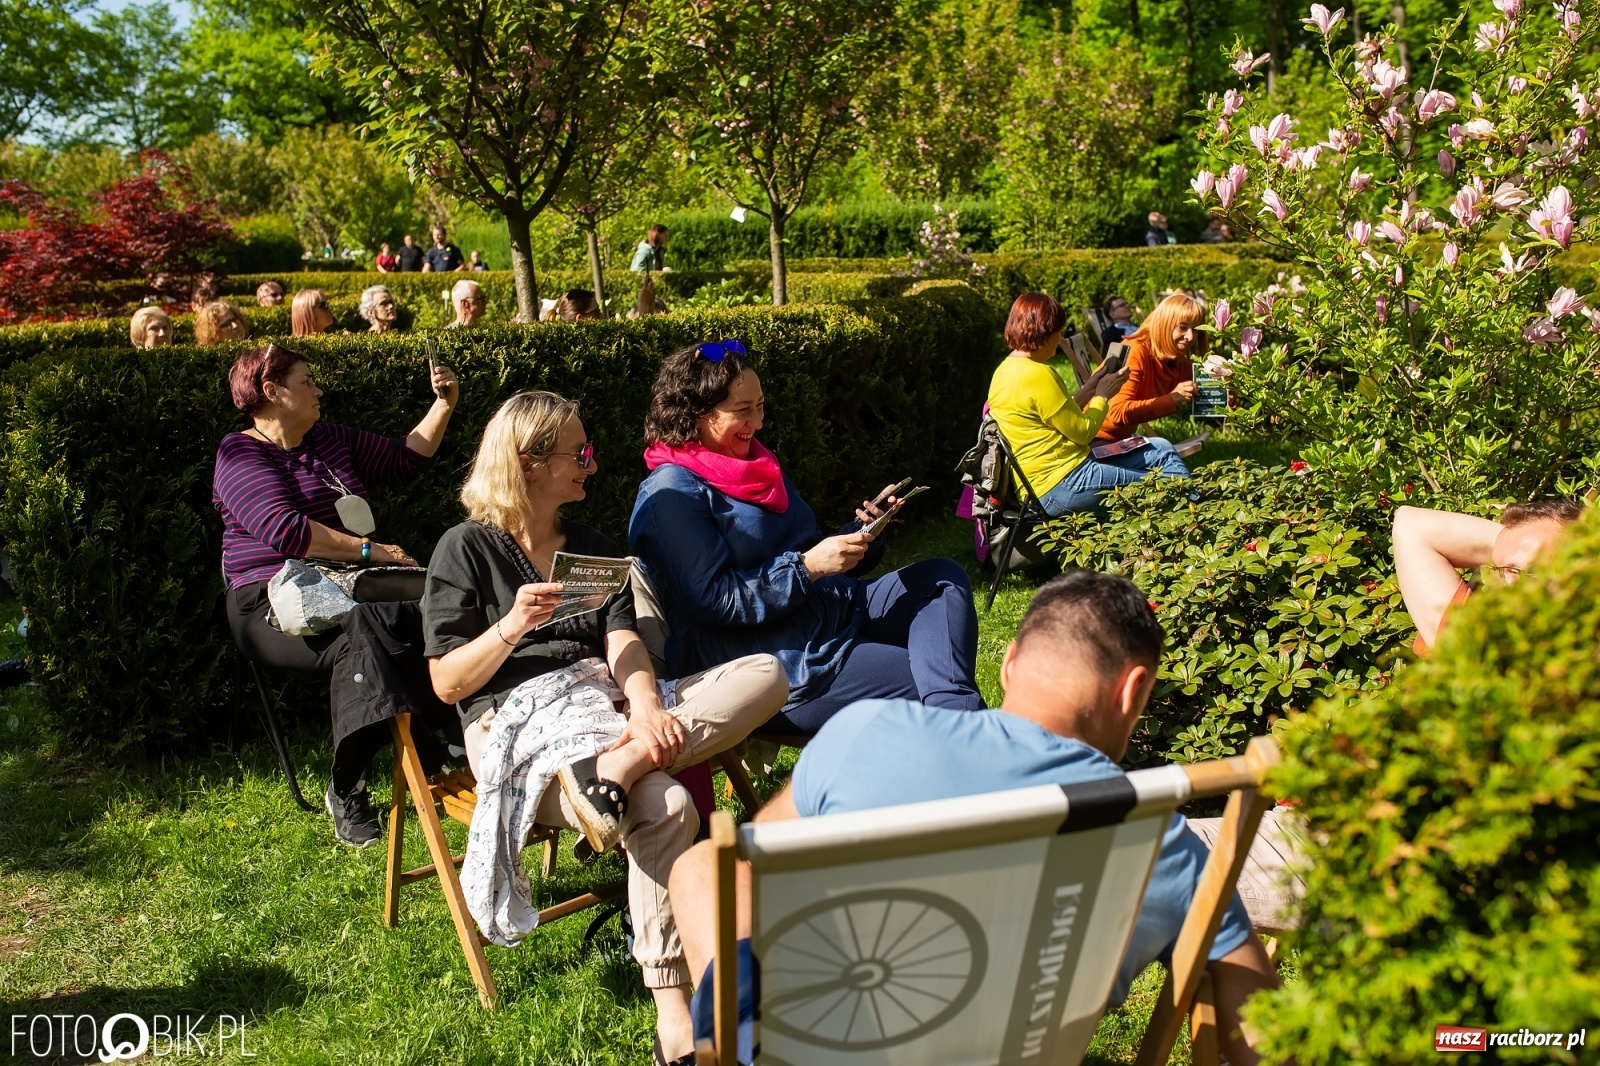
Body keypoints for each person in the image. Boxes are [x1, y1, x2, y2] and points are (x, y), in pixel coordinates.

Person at [669, 572, 1279, 1066]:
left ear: (1009, 664)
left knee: (702, 865)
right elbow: (1257, 1025)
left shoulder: (863, 733)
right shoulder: (1163, 842)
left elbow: (756, 862)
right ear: (1133, 691)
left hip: (821, 1043)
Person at [422, 390, 788, 1065]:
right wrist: (512, 627)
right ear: (529, 463)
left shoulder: (588, 546)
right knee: (671, 805)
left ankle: (621, 769)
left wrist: (647, 709)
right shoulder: (465, 549)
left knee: (766, 674)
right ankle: (674, 1018)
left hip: (607, 716)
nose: (591, 465)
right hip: (518, 723)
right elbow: (448, 683)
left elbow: (623, 642)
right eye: (579, 454)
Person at [629, 340, 983, 735]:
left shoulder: (753, 464)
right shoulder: (671, 494)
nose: (758, 422)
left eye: (760, 405)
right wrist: (807, 567)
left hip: (825, 611)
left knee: (941, 581)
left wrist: (861, 535)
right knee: (922, 683)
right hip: (771, 657)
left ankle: (959, 727)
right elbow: (715, 600)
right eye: (743, 410)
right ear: (696, 412)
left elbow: (803, 552)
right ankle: (968, 736)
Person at [214, 343, 460, 846]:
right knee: (367, 635)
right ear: (271, 391)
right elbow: (287, 532)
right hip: (268, 603)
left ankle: (447, 743)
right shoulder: (238, 454)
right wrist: (374, 551)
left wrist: (444, 404)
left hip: (350, 590)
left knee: (435, 604)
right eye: (306, 381)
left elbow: (403, 457)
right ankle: (354, 783)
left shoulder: (326, 439)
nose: (318, 389)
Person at [988, 293, 1187, 517]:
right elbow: (1083, 433)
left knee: (1160, 448)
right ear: (1045, 332)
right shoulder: (1038, 375)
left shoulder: (1005, 370)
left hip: (1056, 476)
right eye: (1059, 331)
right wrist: (1102, 397)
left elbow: (1058, 414)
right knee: (1169, 484)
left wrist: (1091, 387)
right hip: (1062, 483)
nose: (1061, 338)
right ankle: (1193, 524)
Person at [1394, 498, 1584, 652]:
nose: (1504, 586)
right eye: (1498, 572)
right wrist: (1512, 541)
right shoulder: (1484, 647)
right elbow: (1411, 526)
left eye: (1531, 571)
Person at [1095, 292, 1206, 442]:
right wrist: (1172, 400)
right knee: (1165, 450)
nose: (1191, 337)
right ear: (1165, 325)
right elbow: (1116, 413)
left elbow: (1203, 381)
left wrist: (1224, 387)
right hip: (1095, 441)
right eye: (1183, 327)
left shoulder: (1174, 359)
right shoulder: (1135, 351)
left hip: (1122, 439)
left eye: (1196, 329)